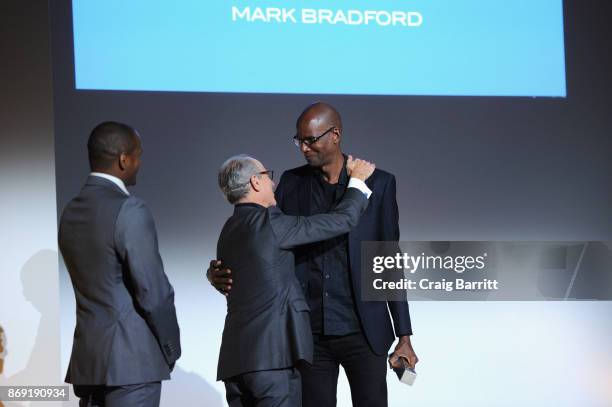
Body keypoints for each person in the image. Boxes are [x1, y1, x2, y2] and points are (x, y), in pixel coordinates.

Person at [209, 103, 418, 407]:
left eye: (311, 140)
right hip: (310, 334)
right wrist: (216, 270)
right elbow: (262, 236)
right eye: (299, 141)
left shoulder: (379, 183)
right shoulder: (292, 183)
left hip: (365, 330)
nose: (304, 148)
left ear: (335, 135)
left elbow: (388, 259)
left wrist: (405, 334)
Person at [215, 154, 375, 407]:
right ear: (256, 182)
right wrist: (356, 181)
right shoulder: (270, 222)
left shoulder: (228, 229)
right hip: (272, 362)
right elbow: (342, 221)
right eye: (269, 176)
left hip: (234, 365)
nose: (274, 184)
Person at [59, 121, 181, 407]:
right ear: (124, 159)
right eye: (138, 154)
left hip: (89, 364)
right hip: (131, 365)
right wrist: (170, 348)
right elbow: (153, 291)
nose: (140, 161)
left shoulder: (71, 211)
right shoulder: (130, 209)